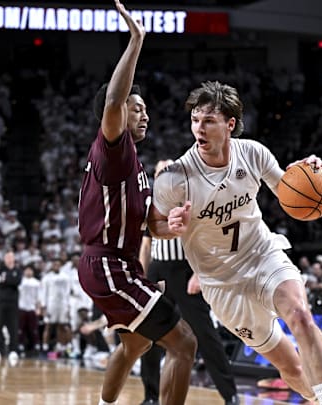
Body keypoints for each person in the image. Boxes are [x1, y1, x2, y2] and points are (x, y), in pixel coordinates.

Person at [149, 81, 322, 404]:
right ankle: (316, 398)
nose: (199, 128)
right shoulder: (176, 177)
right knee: (291, 368)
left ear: (230, 125)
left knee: (301, 316)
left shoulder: (252, 153)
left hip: (262, 254)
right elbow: (153, 224)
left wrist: (310, 171)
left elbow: (289, 192)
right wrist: (168, 225)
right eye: (195, 119)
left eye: (209, 120)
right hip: (223, 285)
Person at [76, 2, 197, 404]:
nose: (145, 115)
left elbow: (150, 225)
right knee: (183, 343)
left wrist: (171, 223)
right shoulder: (114, 149)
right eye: (137, 108)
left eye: (146, 109)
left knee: (136, 346)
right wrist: (136, 41)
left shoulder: (136, 167)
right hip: (108, 265)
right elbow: (113, 101)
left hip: (119, 265)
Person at [138, 159, 238, 405]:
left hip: (186, 270)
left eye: (169, 170)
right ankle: (150, 396)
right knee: (148, 335)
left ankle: (230, 394)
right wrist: (142, 274)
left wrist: (199, 274)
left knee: (205, 334)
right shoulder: (150, 204)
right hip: (157, 271)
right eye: (161, 171)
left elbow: (205, 241)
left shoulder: (193, 200)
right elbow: (146, 243)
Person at [0, 251, 22, 363]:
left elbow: (17, 281)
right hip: (1, 302)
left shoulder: (17, 270)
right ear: (4, 259)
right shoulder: (0, 270)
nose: (9, 259)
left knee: (13, 327)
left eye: (11, 257)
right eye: (7, 257)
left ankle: (13, 350)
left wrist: (5, 279)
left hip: (13, 303)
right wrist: (6, 280)